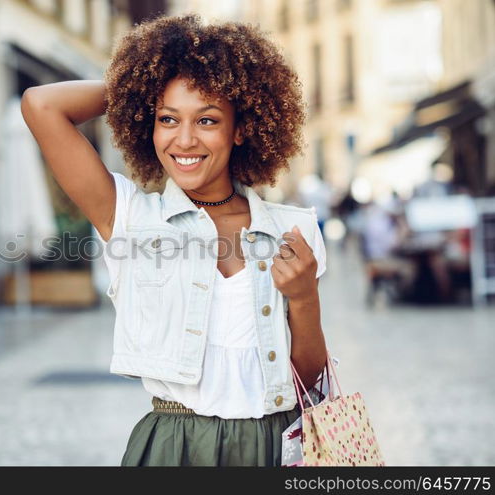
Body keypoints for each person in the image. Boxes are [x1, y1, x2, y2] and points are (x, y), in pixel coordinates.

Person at [20, 14, 328, 466]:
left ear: (241, 128)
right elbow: (40, 106)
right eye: (167, 118)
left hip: (273, 444)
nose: (184, 140)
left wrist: (303, 299)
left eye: (207, 119)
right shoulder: (128, 217)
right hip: (172, 446)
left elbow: (307, 374)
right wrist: (141, 87)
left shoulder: (294, 229)